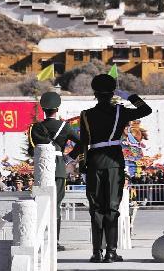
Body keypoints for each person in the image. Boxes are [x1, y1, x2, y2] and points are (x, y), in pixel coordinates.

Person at [79, 73, 152, 263]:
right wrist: (128, 96)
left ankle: (96, 252)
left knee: (96, 209)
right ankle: (111, 252)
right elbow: (147, 109)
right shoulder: (121, 111)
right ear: (112, 93)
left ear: (95, 93)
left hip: (94, 162)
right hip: (114, 162)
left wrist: (82, 166)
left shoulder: (86, 115)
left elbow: (83, 144)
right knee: (112, 208)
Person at [28, 91, 82, 251]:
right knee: (56, 204)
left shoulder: (35, 128)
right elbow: (81, 143)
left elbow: (32, 151)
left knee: (40, 203)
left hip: (42, 168)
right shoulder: (64, 127)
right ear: (57, 108)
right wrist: (68, 157)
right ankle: (54, 241)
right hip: (59, 168)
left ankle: (39, 238)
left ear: (43, 109)